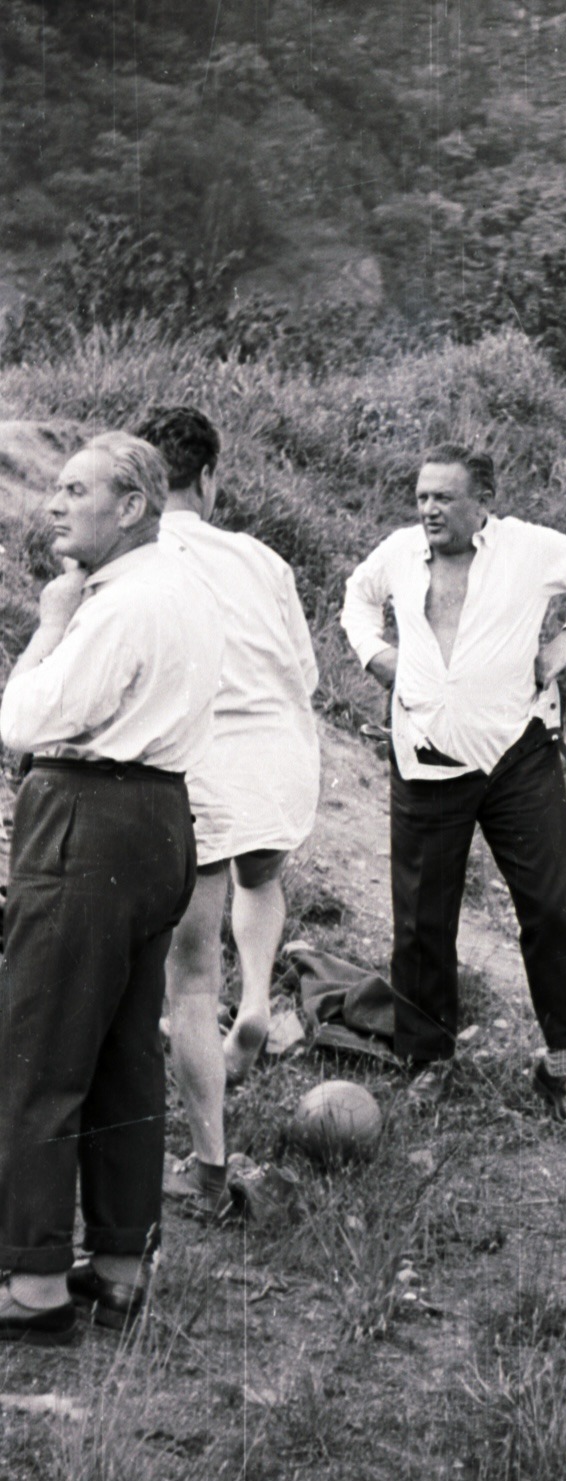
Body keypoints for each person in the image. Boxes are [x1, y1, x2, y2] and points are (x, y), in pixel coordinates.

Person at [0, 432, 223, 1343]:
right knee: (126, 1054)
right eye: (55, 486)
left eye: (76, 488)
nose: (55, 503)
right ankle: (121, 1265)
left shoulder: (116, 605)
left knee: (40, 1053)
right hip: (161, 820)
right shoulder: (183, 590)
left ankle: (35, 1281)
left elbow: (24, 721)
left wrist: (52, 619)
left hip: (88, 820)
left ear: (132, 507)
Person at [341, 444, 566, 1127]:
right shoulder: (395, 552)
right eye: (421, 496)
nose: (429, 509)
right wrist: (376, 655)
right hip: (427, 752)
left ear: (482, 501)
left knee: (552, 902)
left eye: (444, 497)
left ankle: (563, 1066)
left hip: (516, 752)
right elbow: (356, 598)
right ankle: (426, 1062)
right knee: (421, 917)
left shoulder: (528, 549)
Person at [137, 407, 320, 1216]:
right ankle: (257, 999)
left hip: (203, 761)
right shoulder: (261, 557)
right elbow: (304, 673)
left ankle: (209, 1167)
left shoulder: (140, 553)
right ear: (209, 477)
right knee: (261, 874)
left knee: (187, 979)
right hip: (280, 754)